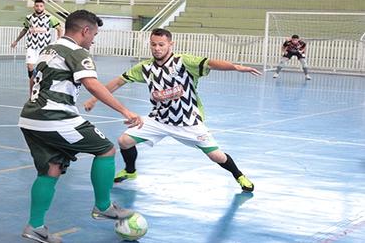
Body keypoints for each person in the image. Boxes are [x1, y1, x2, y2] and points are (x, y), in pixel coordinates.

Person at [84, 28, 261, 193]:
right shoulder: (145, 68)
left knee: (217, 156)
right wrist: (94, 98)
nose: (157, 48)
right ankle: (130, 171)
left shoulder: (183, 62)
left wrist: (236, 67)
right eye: (153, 44)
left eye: (161, 44)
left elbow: (210, 63)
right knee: (124, 141)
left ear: (170, 44)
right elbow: (118, 81)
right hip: (159, 120)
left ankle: (239, 175)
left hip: (188, 121)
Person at [18, 10, 143, 243]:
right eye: (94, 34)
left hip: (30, 118)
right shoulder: (77, 51)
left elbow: (33, 79)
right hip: (55, 117)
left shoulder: (49, 49)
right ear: (85, 31)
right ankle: (103, 206)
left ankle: (34, 227)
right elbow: (92, 84)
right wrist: (126, 111)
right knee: (106, 150)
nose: (94, 39)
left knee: (51, 169)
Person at [11, 0, 64, 91]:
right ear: (34, 7)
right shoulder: (29, 17)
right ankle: (33, 84)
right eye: (37, 6)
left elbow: (60, 29)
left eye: (41, 6)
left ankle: (43, 86)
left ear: (44, 7)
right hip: (31, 45)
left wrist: (58, 41)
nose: (39, 8)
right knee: (30, 66)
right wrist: (16, 40)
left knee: (43, 67)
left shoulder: (49, 18)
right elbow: (25, 29)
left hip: (44, 47)